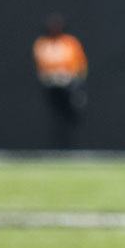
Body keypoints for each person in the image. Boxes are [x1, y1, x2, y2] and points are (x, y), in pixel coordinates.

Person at [33, 15, 87, 150]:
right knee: (55, 116)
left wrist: (74, 80)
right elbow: (42, 65)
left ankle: (73, 147)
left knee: (72, 115)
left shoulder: (70, 42)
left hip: (68, 84)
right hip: (51, 85)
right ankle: (55, 147)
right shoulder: (42, 43)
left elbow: (80, 64)